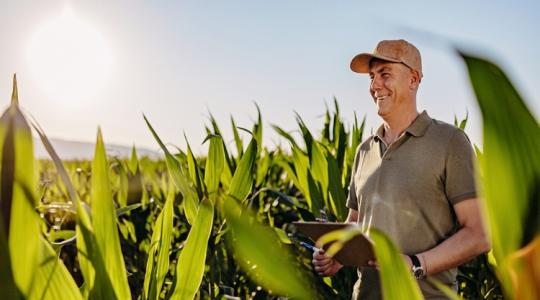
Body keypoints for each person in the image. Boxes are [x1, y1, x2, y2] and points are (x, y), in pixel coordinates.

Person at [311, 39, 491, 299]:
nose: (374, 86)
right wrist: (338, 255)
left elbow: (479, 234)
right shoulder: (364, 150)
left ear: (414, 79)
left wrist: (416, 264)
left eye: (385, 74)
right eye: (372, 77)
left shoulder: (450, 142)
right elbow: (356, 223)